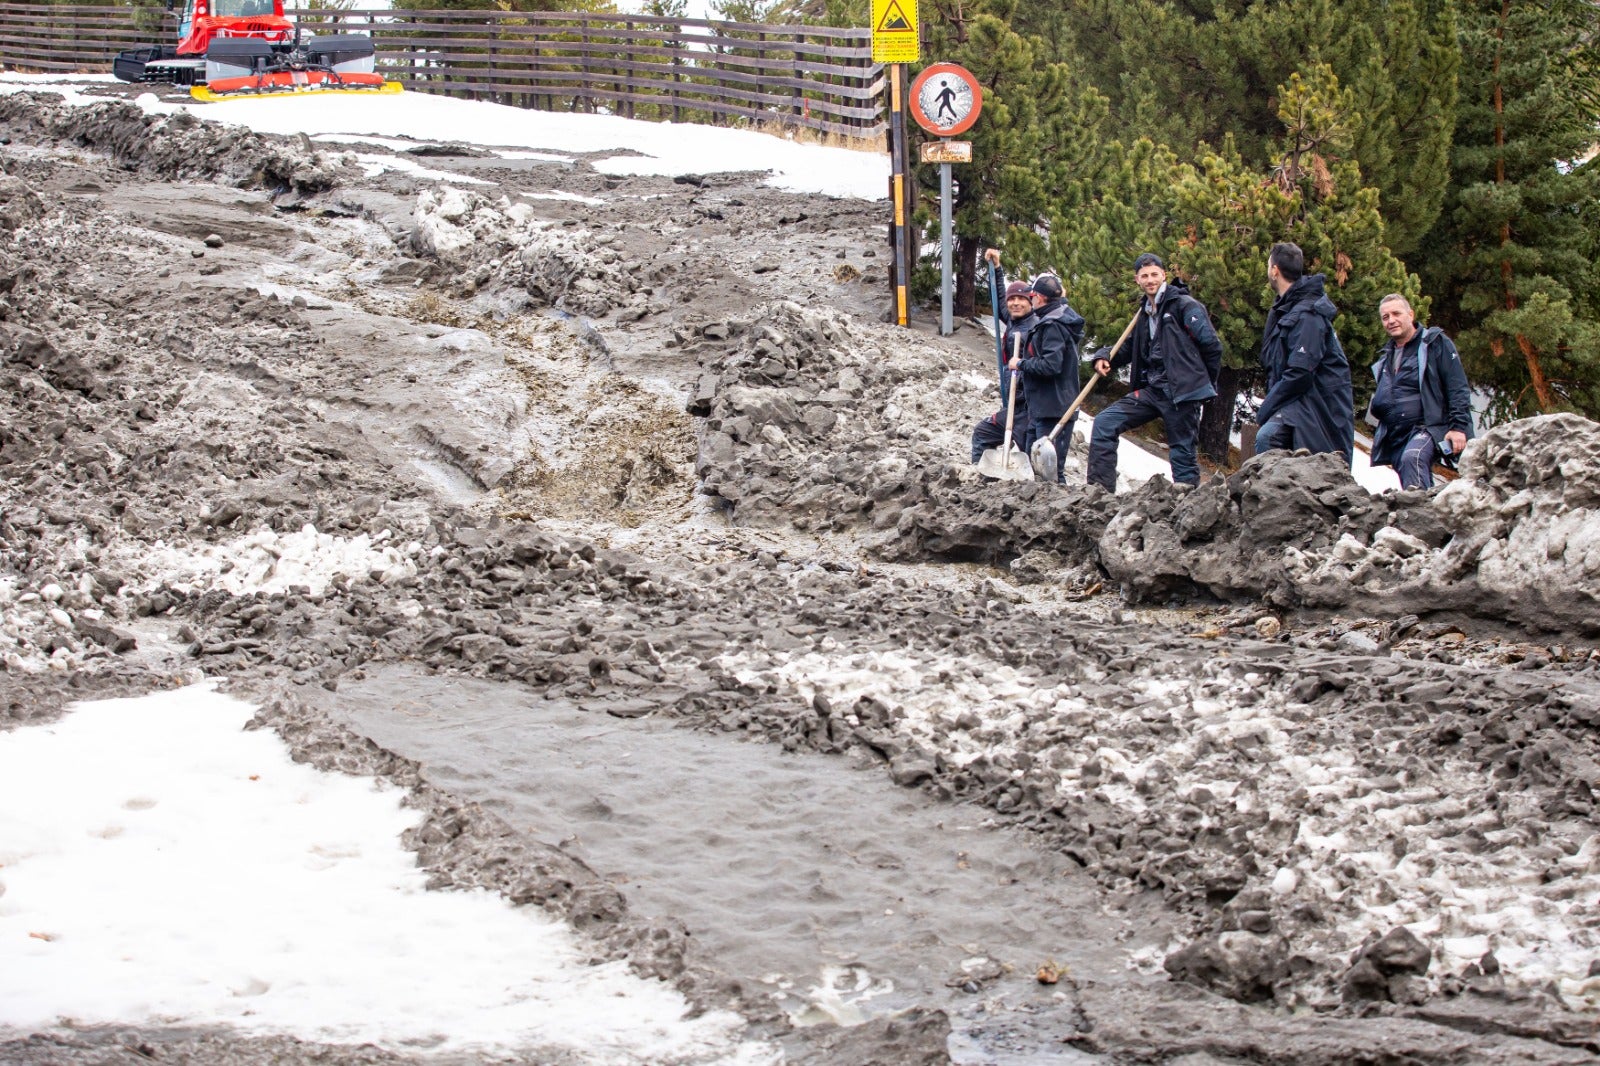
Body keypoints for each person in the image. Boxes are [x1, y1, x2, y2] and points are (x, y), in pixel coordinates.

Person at [1086, 253, 1223, 492]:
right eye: (1144, 276)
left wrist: (1202, 386)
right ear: (1136, 280)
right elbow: (1129, 346)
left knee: (1182, 454)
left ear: (1164, 275)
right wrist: (1104, 355)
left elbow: (1212, 346)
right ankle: (1099, 495)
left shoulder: (1184, 306)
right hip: (1153, 390)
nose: (1150, 280)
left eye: (1154, 274)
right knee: (1105, 423)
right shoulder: (1144, 312)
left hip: (1183, 393)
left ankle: (1187, 507)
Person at [1253, 242, 1354, 464]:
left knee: (1267, 437)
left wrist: (1266, 408)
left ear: (1274, 270)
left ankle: (1270, 497)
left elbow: (1300, 373)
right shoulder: (1285, 309)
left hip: (1318, 409)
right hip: (1298, 403)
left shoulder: (1308, 314)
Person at [1367, 293, 1473, 489]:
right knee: (1412, 485)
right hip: (1397, 434)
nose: (1391, 320)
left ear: (1411, 314)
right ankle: (1425, 515)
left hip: (1431, 427)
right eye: (1385, 317)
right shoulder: (1385, 358)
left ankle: (1420, 518)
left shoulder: (1434, 343)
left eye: (1396, 314)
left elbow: (1457, 386)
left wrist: (1459, 427)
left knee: (1413, 458)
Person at [1008, 273, 1085, 483]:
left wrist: (1021, 364)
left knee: (1050, 471)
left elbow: (1051, 365)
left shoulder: (1053, 325)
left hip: (1055, 407)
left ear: (1039, 297)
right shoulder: (1054, 317)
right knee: (1035, 466)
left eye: (1031, 295)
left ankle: (1059, 513)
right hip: (1043, 406)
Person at [970, 254, 1036, 466]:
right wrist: (997, 269)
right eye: (1012, 299)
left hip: (1027, 407)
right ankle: (983, 480)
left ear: (1031, 302)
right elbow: (1000, 302)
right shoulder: (1015, 320)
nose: (1015, 303)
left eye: (1021, 299)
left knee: (1029, 455)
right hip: (1012, 405)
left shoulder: (1034, 329)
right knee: (983, 433)